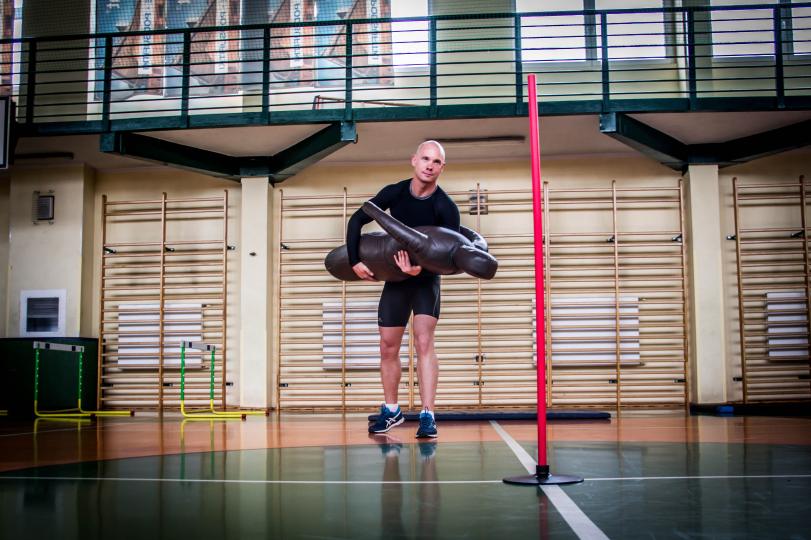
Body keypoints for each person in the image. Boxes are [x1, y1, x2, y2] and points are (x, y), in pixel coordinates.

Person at [346, 140, 460, 438]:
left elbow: (450, 258)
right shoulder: (394, 192)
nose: (429, 165)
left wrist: (419, 270)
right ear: (414, 160)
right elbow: (357, 219)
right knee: (388, 346)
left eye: (436, 162)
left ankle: (427, 415)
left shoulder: (445, 207)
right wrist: (356, 261)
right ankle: (392, 410)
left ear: (442, 168)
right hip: (396, 281)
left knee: (423, 343)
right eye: (425, 159)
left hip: (426, 281)